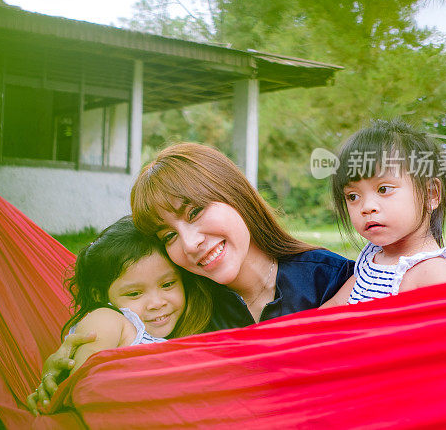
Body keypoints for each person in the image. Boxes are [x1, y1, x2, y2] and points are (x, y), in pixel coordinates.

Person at [29, 143, 354, 409]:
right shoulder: (187, 302)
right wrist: (64, 369)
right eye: (168, 235)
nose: (190, 243)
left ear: (235, 194)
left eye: (195, 212)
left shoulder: (331, 280)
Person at [26, 215, 212, 414]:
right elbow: (84, 387)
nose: (157, 303)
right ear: (100, 296)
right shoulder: (107, 319)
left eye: (167, 284)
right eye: (134, 293)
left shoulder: (178, 329)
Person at [322, 119, 446, 307]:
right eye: (353, 196)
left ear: (431, 194)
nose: (366, 207)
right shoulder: (371, 260)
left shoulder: (434, 273)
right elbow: (333, 309)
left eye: (383, 189)